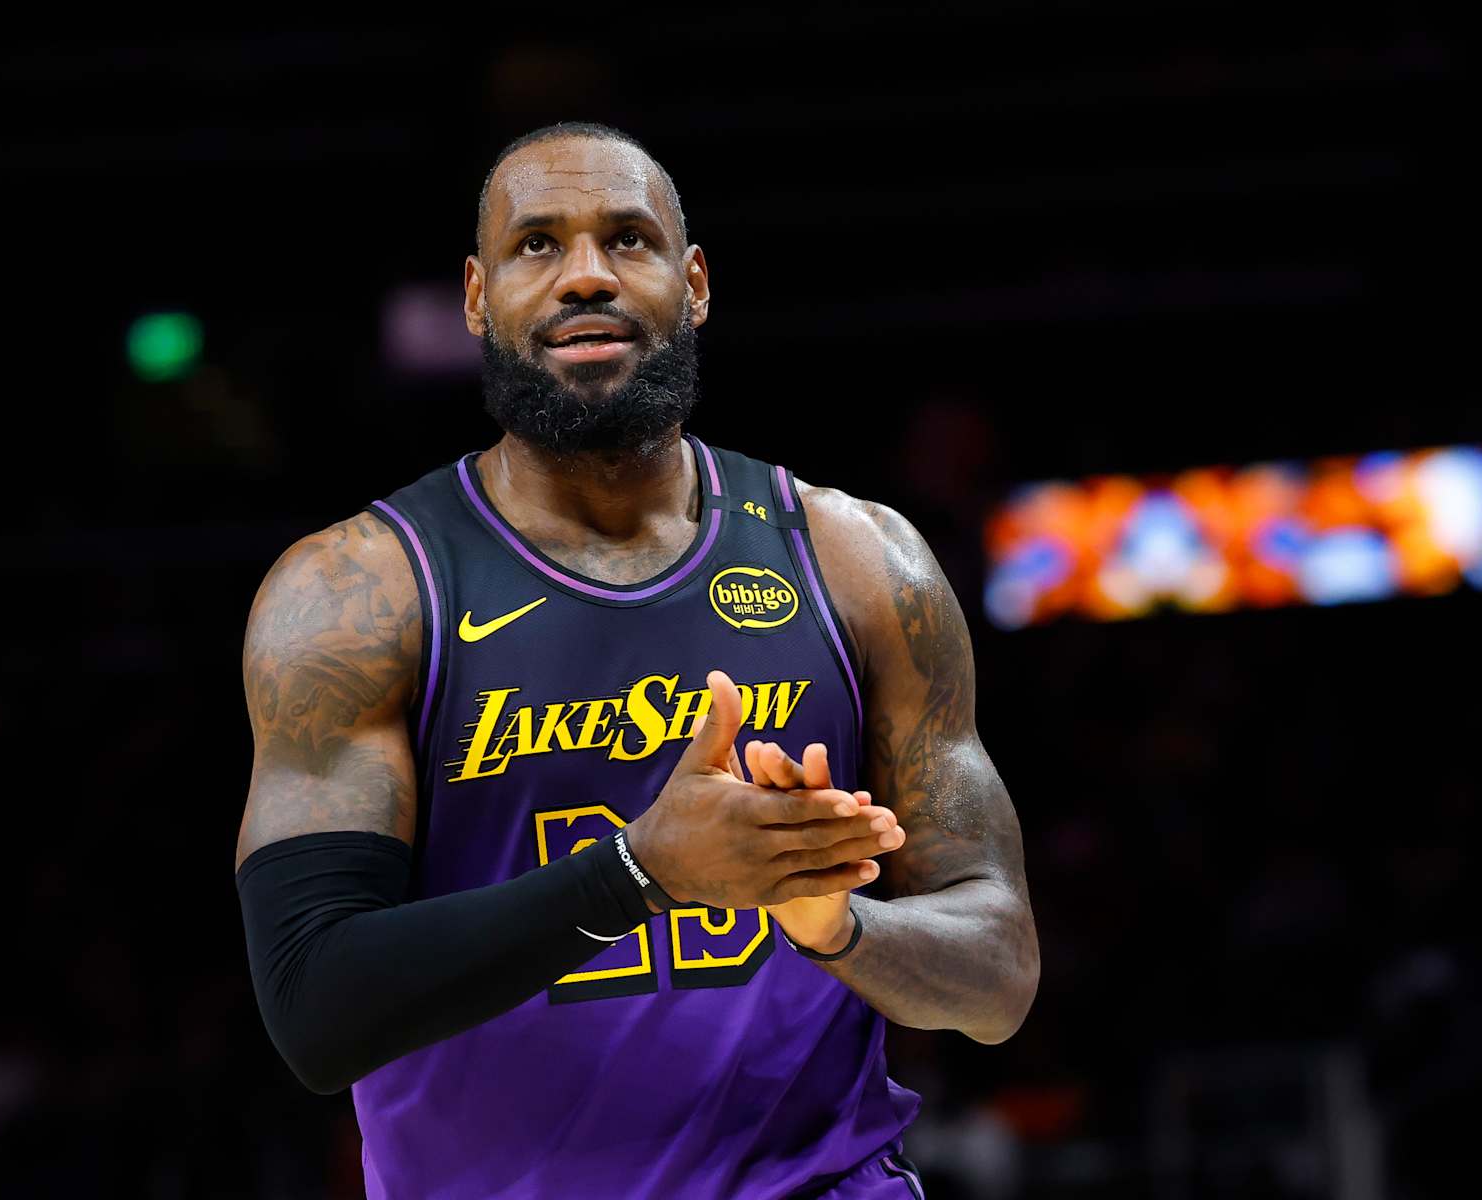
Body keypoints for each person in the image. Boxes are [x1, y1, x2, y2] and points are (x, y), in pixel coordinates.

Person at [235, 121, 1039, 1199]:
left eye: (627, 238)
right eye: (537, 245)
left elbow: (998, 975)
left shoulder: (858, 561)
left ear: (693, 283)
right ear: (477, 297)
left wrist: (834, 923)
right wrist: (640, 872)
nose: (586, 275)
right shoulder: (357, 595)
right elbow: (315, 1009)